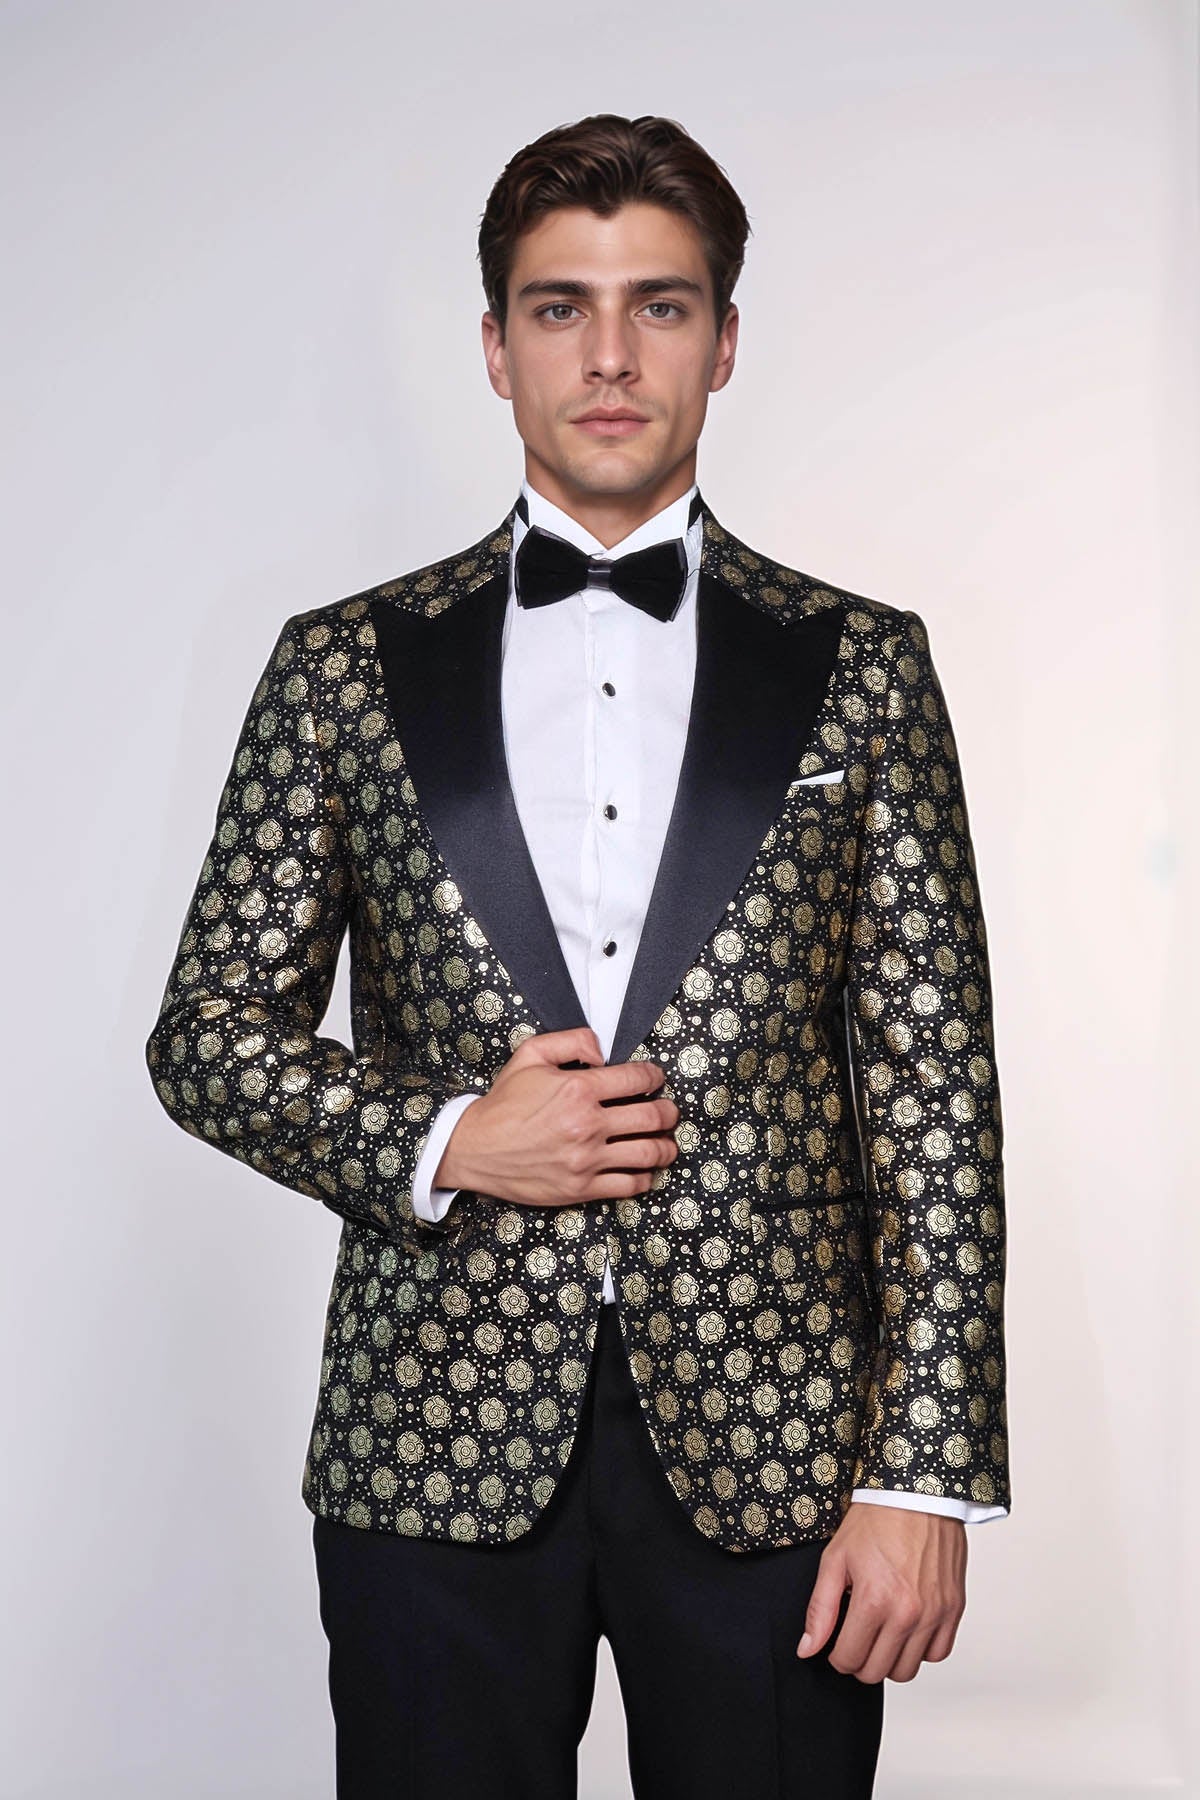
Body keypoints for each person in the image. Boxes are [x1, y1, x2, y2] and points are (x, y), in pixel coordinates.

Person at [145, 111, 1010, 1800]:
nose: (610, 356)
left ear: (724, 340)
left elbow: (934, 1093)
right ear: (497, 348)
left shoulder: (863, 668)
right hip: (429, 1445)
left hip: (784, 1455)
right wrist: (449, 1139)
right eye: (561, 308)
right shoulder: (341, 667)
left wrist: (924, 1476)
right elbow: (209, 1034)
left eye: (658, 306)